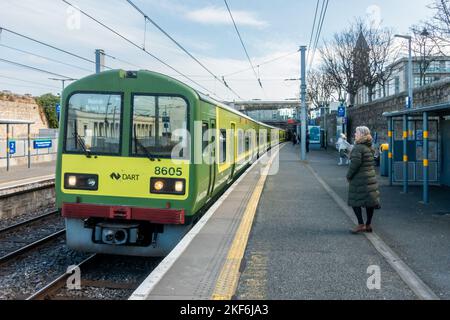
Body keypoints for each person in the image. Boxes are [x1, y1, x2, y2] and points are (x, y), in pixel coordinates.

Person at [346, 126, 381, 234]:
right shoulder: (369, 146)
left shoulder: (358, 147)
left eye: (356, 133)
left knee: (355, 201)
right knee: (369, 202)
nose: (355, 135)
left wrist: (349, 175)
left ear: (361, 134)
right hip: (370, 178)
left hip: (359, 179)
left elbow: (355, 164)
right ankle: (368, 224)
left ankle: (361, 224)